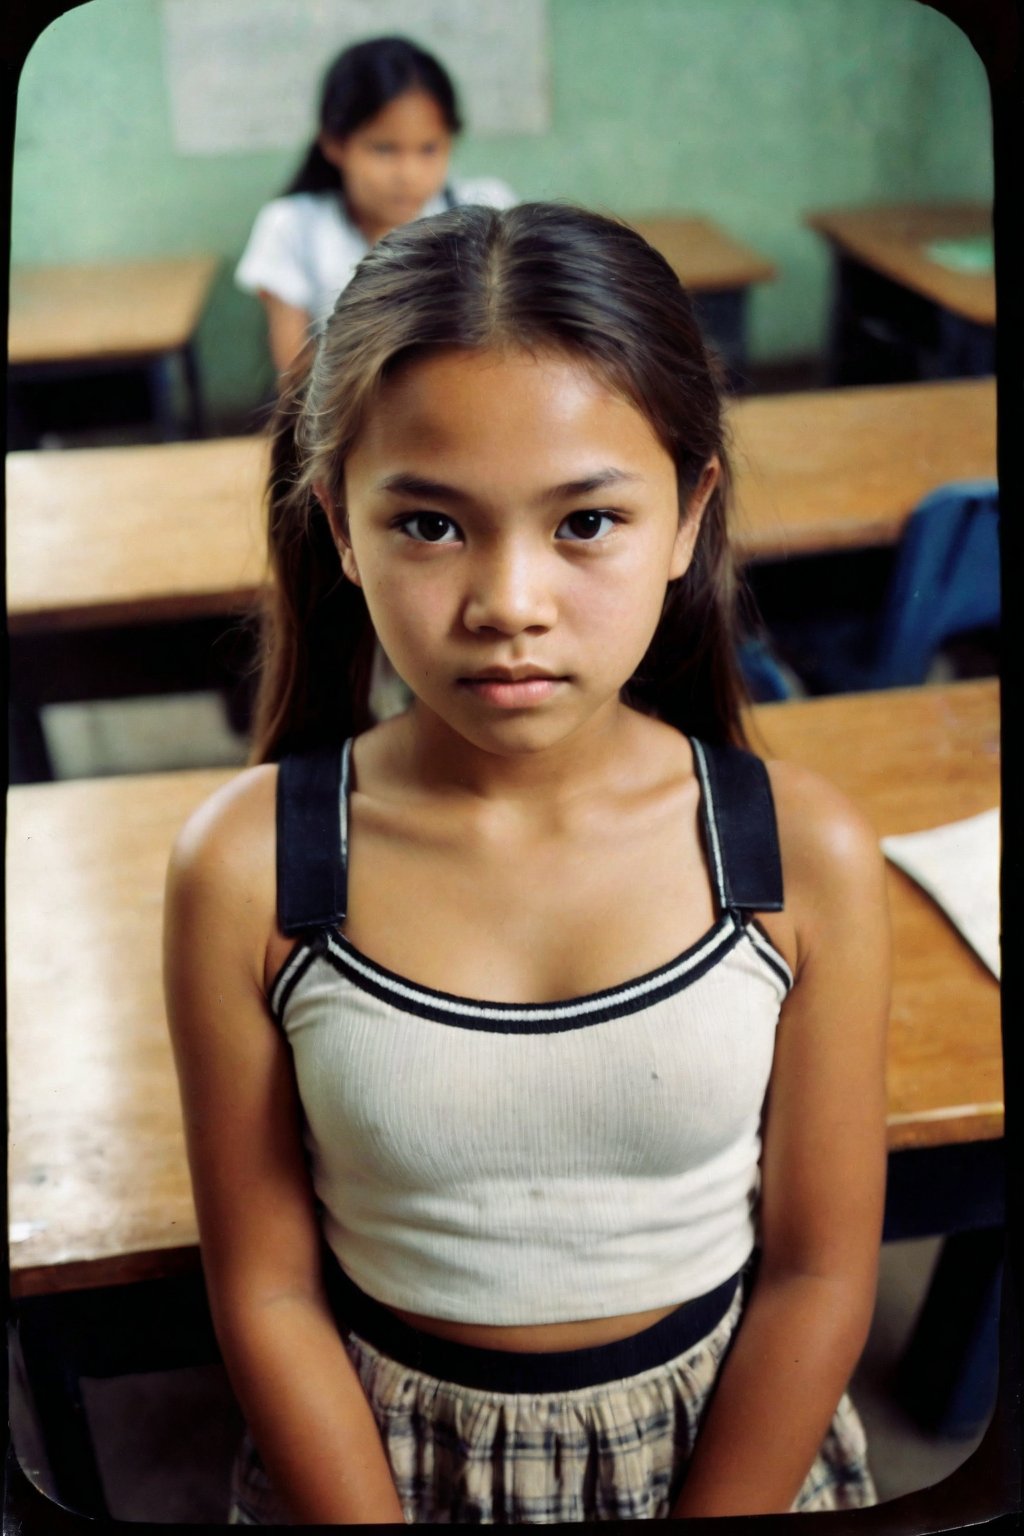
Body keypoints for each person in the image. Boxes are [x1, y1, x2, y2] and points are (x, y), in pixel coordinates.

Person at [165, 203, 890, 1526]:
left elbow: (819, 1277)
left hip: (725, 1449)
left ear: (689, 514)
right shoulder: (248, 865)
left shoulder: (802, 855)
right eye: (431, 526)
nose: (509, 601)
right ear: (339, 524)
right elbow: (264, 1289)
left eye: (587, 522)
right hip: (379, 1465)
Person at [235, 35, 515, 380]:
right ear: (335, 143)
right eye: (384, 149)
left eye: (428, 149)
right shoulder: (291, 225)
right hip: (344, 418)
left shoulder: (487, 209)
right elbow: (296, 376)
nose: (408, 174)